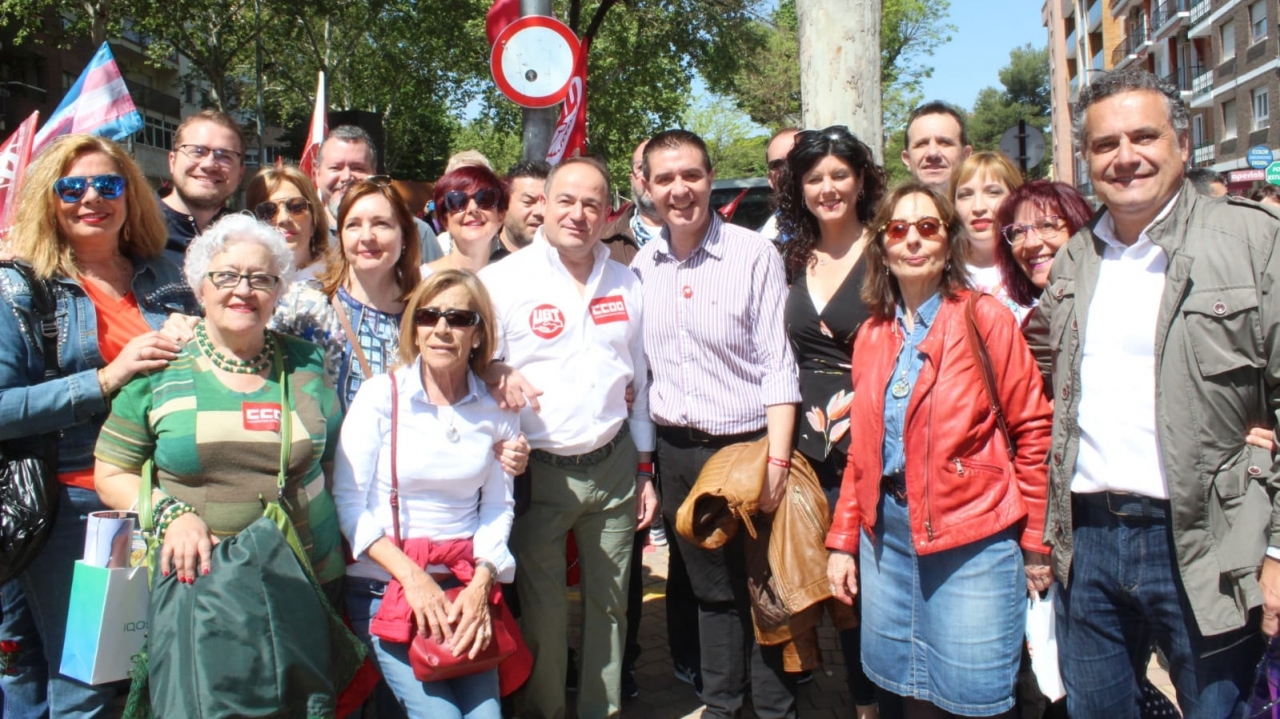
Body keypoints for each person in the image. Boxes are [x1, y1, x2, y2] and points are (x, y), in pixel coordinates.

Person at [1024, 67, 1280, 718]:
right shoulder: (1077, 257)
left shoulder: (1253, 241)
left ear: (1182, 145)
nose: (1125, 157)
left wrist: (1277, 549)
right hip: (1090, 540)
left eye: (1144, 136)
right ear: (1087, 158)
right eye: (1106, 144)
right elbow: (1034, 372)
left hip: (1207, 538)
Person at [93, 213, 348, 710]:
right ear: (200, 287)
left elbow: (331, 461)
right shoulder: (159, 367)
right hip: (201, 590)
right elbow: (112, 471)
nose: (243, 290)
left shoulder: (307, 363)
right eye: (227, 276)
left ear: (279, 292)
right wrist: (173, 514)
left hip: (305, 583)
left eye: (261, 278)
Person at [826, 182, 1053, 718]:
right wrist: (842, 540)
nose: (912, 240)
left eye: (927, 227)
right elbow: (863, 450)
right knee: (907, 696)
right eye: (898, 229)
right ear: (882, 245)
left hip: (971, 542)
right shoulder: (873, 334)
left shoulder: (983, 318)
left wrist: (1037, 539)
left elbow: (1033, 430)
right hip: (889, 544)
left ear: (947, 241)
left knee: (973, 702)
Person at [0, 134, 198, 717]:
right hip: (75, 513)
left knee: (143, 677)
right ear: (48, 198)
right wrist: (105, 380)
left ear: (130, 195)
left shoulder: (168, 274)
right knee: (85, 688)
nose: (92, 198)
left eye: (108, 185)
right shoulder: (20, 285)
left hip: (159, 500)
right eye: (72, 187)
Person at [480, 156, 658, 718]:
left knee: (611, 612)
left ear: (609, 212)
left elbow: (642, 381)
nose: (578, 214)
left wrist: (644, 468)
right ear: (542, 205)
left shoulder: (628, 280)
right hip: (538, 471)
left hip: (613, 466)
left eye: (591, 203)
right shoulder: (501, 281)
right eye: (565, 200)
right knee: (544, 616)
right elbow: (468, 365)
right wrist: (493, 369)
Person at [632, 129, 801, 719]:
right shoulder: (641, 265)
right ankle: (722, 704)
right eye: (665, 179)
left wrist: (778, 461)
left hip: (748, 448)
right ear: (647, 188)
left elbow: (779, 367)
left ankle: (776, 710)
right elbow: (642, 377)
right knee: (709, 592)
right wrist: (647, 468)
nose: (680, 190)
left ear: (709, 178)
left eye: (692, 176)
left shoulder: (754, 255)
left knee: (763, 591)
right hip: (679, 452)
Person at [333, 269, 517, 719]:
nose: (441, 329)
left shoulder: (495, 409)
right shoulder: (381, 397)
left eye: (457, 318)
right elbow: (349, 503)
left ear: (477, 334)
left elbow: (498, 505)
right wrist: (414, 579)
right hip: (386, 592)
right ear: (413, 326)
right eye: (429, 316)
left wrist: (481, 581)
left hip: (463, 592)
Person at [776, 125, 885, 719]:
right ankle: (863, 702)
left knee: (878, 584)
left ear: (861, 179)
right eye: (814, 178)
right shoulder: (790, 255)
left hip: (875, 441)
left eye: (840, 174)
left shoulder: (890, 246)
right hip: (809, 453)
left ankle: (892, 696)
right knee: (839, 589)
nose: (828, 188)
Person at [312, 179, 422, 411]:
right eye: (353, 225)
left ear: (404, 235)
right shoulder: (306, 306)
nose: (367, 237)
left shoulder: (427, 312)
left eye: (381, 224)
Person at [311, 125, 443, 263]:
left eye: (358, 168)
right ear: (317, 174)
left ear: (373, 173)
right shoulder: (303, 235)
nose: (346, 177)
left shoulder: (416, 233)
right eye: (335, 168)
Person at [160, 110, 247, 265]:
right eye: (197, 152)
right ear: (172, 161)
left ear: (240, 173)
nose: (209, 165)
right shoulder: (132, 229)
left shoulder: (248, 236)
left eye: (225, 156)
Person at [952, 151, 1026, 319]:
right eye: (966, 194)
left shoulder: (1034, 268)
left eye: (993, 192)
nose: (978, 207)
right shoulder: (940, 275)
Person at [246, 164, 329, 283]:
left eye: (296, 207)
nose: (284, 219)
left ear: (314, 218)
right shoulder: (243, 285)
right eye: (268, 210)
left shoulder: (343, 283)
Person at [427, 165, 509, 275]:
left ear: (501, 216)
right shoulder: (418, 281)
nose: (473, 208)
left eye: (485, 199)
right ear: (444, 219)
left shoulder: (521, 279)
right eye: (458, 201)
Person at [599, 139, 665, 265]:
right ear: (632, 179)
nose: (650, 175)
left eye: (661, 167)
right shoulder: (601, 243)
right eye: (641, 167)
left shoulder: (706, 236)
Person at [900, 101, 972, 193]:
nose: (932, 153)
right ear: (907, 159)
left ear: (965, 156)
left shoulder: (984, 207)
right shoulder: (890, 207)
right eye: (921, 144)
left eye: (944, 143)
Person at [496, 160, 549, 260]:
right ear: (504, 204)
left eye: (546, 202)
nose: (540, 211)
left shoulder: (563, 264)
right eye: (528, 201)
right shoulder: (479, 256)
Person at [759, 127, 799, 242]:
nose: (788, 169)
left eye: (796, 159)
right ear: (770, 179)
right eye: (777, 164)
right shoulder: (757, 246)